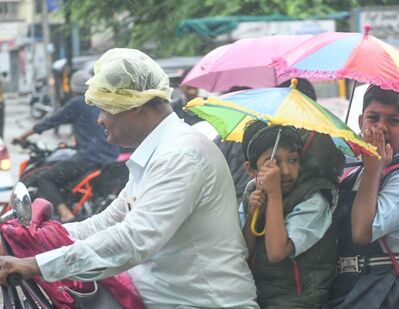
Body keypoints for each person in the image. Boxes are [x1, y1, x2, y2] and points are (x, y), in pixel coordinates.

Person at [0, 48, 258, 308]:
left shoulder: (181, 155)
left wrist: (35, 265)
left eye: (105, 109)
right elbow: (105, 223)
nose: (100, 119)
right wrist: (29, 239)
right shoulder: (160, 152)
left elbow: (133, 239)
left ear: (134, 106)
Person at [325, 85, 399, 309]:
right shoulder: (353, 172)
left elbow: (362, 232)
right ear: (361, 121)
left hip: (384, 293)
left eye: (394, 120)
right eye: (373, 117)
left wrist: (373, 169)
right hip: (345, 288)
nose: (381, 127)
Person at [239, 120, 338, 308]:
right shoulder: (252, 192)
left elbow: (277, 252)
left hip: (300, 301)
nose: (285, 171)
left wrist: (274, 194)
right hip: (258, 297)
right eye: (273, 162)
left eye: (292, 160)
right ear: (251, 170)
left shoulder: (314, 198)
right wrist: (254, 214)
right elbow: (243, 253)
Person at [13, 70, 120, 222]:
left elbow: (50, 121)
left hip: (91, 157)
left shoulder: (77, 103)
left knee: (45, 179)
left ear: (73, 88)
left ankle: (65, 213)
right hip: (111, 155)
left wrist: (22, 136)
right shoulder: (100, 101)